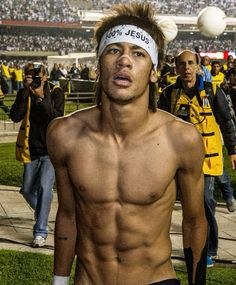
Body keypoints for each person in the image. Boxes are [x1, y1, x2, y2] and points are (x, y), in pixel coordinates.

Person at [47, 3, 207, 285]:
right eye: (113, 50)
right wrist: (58, 282)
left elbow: (194, 221)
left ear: (154, 71)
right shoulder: (65, 134)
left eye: (138, 52)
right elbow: (68, 216)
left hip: (155, 279)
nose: (124, 60)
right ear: (99, 65)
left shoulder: (181, 139)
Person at [159, 50, 236, 268]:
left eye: (190, 63)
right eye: (182, 64)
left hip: (207, 160)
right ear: (176, 67)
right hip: (178, 161)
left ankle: (209, 250)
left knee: (205, 204)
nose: (186, 68)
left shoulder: (212, 91)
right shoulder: (169, 94)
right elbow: (159, 126)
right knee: (178, 205)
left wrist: (233, 150)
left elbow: (226, 121)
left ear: (198, 67)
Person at [10, 62, 64, 248]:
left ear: (46, 76)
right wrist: (25, 92)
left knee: (44, 188)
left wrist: (41, 97)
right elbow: (15, 116)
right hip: (30, 148)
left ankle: (40, 231)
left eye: (38, 76)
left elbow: (57, 117)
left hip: (51, 149)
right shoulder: (24, 92)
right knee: (26, 190)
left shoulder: (56, 91)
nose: (35, 79)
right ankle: (42, 211)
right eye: (31, 76)